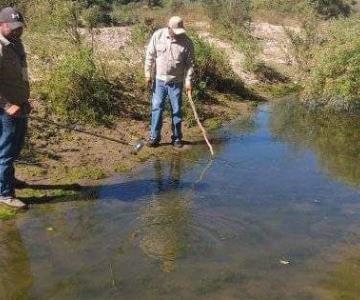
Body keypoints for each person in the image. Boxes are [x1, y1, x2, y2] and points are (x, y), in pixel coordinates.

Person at [145, 16, 194, 148]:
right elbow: (150, 55)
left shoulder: (187, 42)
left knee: (177, 110)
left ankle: (177, 138)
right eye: (175, 31)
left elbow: (190, 65)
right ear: (169, 28)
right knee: (157, 108)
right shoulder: (158, 35)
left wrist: (188, 82)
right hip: (159, 80)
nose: (178, 34)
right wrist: (147, 74)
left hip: (176, 82)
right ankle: (154, 137)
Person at [0, 7, 30, 209]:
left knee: (16, 146)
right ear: (1, 25)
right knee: (6, 151)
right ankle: (4, 193)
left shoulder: (16, 44)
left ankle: (8, 178)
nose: (17, 30)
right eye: (12, 27)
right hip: (6, 110)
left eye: (19, 27)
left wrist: (25, 100)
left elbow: (22, 75)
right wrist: (7, 105)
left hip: (21, 106)